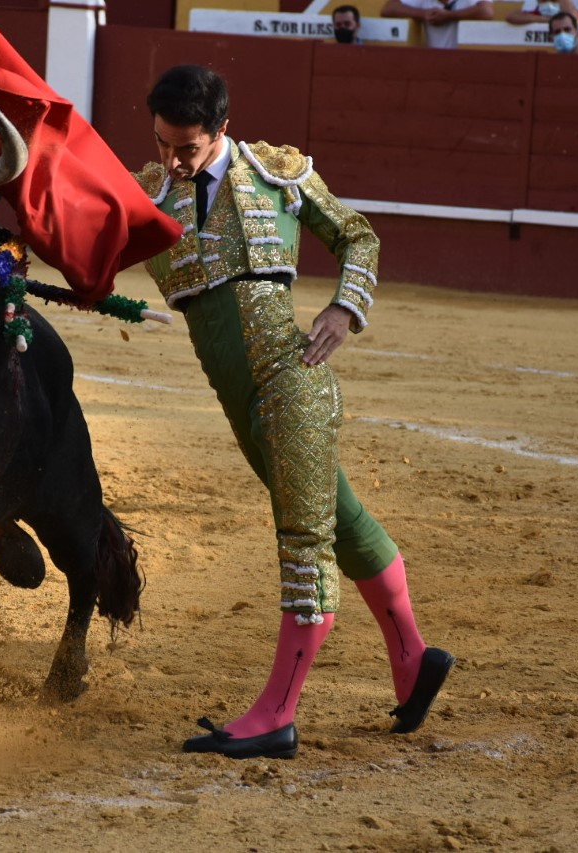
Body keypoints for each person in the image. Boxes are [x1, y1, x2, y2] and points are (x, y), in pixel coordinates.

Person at [133, 65, 455, 760]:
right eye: (161, 144)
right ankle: (414, 658)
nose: (171, 160)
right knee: (341, 516)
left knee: (304, 538)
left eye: (185, 148)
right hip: (241, 403)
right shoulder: (150, 192)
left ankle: (277, 713)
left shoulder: (276, 174)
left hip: (293, 382)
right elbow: (87, 238)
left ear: (220, 129)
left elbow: (357, 236)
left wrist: (346, 307)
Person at [381, 0, 496, 48]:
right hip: (434, 59)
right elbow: (388, 8)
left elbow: (487, 12)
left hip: (466, 60)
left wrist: (448, 16)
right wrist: (423, 14)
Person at [506, 0, 578, 25]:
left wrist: (565, 2)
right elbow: (510, 16)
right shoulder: (536, 13)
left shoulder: (570, 9)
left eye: (553, 0)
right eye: (543, 0)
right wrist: (544, 19)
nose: (548, 3)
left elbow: (575, 19)